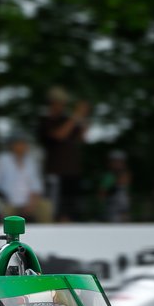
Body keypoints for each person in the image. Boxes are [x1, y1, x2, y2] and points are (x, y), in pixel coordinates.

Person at [38, 86, 89, 221]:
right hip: (56, 173)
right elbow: (59, 135)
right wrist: (75, 116)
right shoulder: (46, 120)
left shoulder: (66, 120)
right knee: (56, 209)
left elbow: (82, 138)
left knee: (72, 209)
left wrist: (83, 117)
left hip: (73, 172)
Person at [0, 131, 51, 223]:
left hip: (29, 202)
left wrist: (31, 203)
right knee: (3, 211)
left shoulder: (31, 161)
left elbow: (36, 187)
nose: (22, 146)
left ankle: (46, 235)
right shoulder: (1, 160)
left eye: (24, 143)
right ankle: (2, 235)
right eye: (19, 143)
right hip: (7, 202)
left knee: (45, 206)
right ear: (12, 145)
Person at [99, 149, 131, 222]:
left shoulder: (126, 175)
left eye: (120, 161)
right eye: (115, 161)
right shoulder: (109, 176)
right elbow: (102, 193)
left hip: (124, 210)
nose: (118, 164)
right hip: (112, 210)